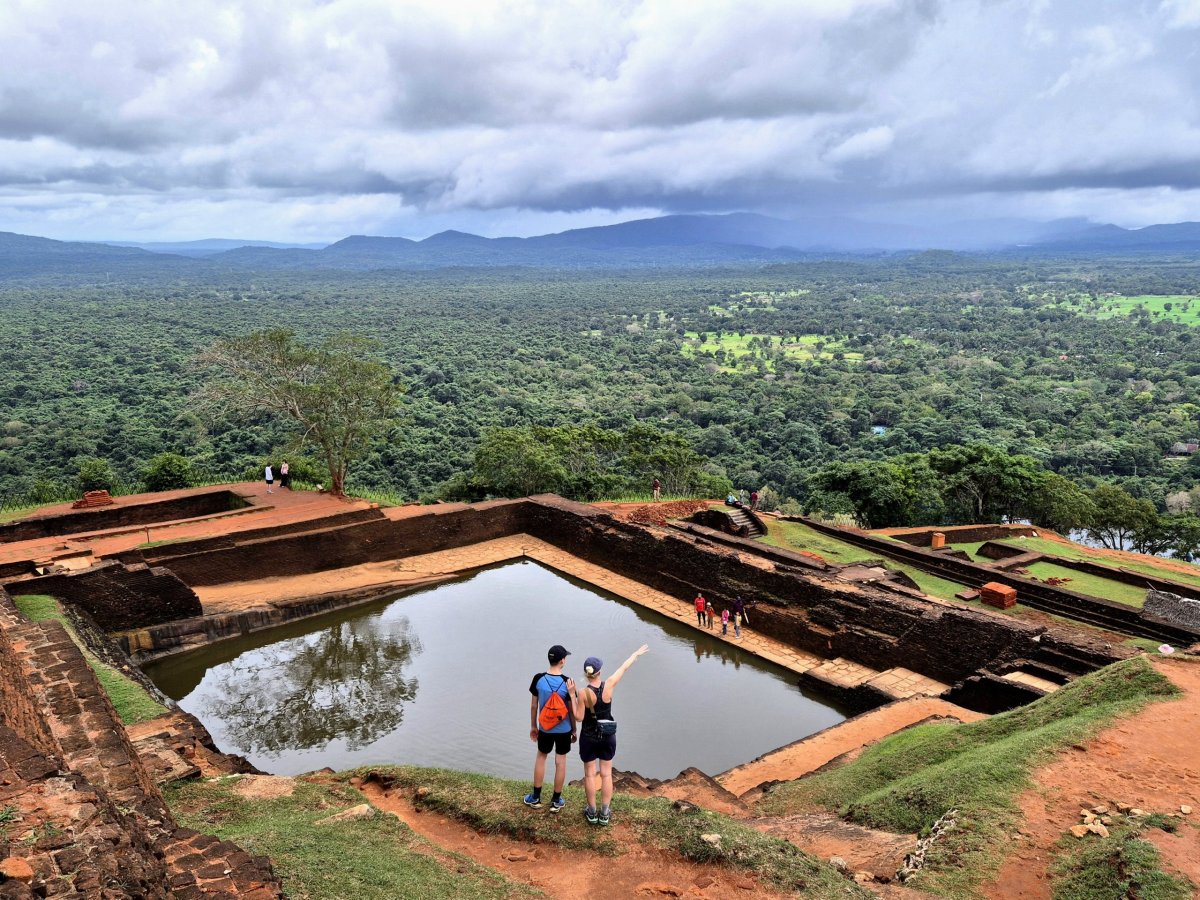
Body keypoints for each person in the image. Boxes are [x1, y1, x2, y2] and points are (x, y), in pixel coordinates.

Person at [574, 645, 649, 826]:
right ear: (599, 672)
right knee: (606, 774)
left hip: (588, 736)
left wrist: (571, 696)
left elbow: (579, 717)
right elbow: (623, 668)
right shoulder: (609, 684)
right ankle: (605, 813)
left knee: (590, 774)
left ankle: (592, 812)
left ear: (586, 674)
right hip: (607, 735)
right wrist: (635, 654)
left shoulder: (583, 693)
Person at [524, 645, 579, 813]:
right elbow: (571, 711)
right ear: (562, 661)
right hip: (564, 730)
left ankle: (535, 797)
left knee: (541, 757)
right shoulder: (568, 682)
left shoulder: (538, 679)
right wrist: (574, 730)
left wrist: (533, 726)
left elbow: (534, 706)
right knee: (560, 762)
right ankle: (556, 801)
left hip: (545, 728)